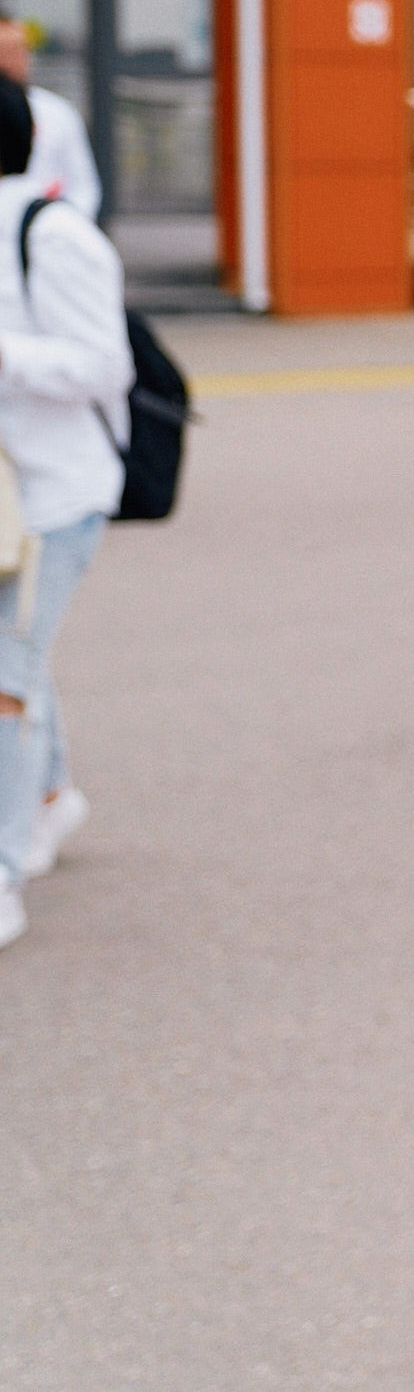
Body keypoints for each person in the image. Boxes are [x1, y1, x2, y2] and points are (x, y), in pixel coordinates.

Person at [0, 77, 131, 951]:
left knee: (6, 675)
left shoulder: (51, 234)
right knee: (17, 656)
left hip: (53, 493)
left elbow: (101, 365)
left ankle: (4, 868)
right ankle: (50, 797)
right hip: (9, 490)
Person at [0, 16, 101, 218]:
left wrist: (60, 223)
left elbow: (85, 188)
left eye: (19, 49)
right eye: (4, 50)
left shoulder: (57, 113)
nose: (10, 60)